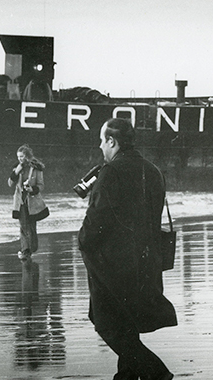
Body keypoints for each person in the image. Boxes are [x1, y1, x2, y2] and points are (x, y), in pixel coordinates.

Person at [78, 118, 176, 380]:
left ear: (113, 141)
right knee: (127, 321)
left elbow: (97, 218)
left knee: (107, 323)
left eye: (102, 141)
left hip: (113, 264)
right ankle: (127, 376)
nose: (100, 147)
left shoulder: (111, 172)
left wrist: (82, 241)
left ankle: (157, 372)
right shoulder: (153, 170)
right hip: (146, 261)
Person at [8, 144, 49, 261]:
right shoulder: (17, 167)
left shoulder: (36, 168)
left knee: (31, 226)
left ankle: (31, 248)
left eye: (21, 156)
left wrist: (32, 189)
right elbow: (10, 183)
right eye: (18, 157)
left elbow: (41, 185)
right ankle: (26, 251)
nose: (20, 159)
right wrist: (16, 172)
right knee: (23, 226)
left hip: (32, 201)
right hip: (20, 201)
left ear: (27, 156)